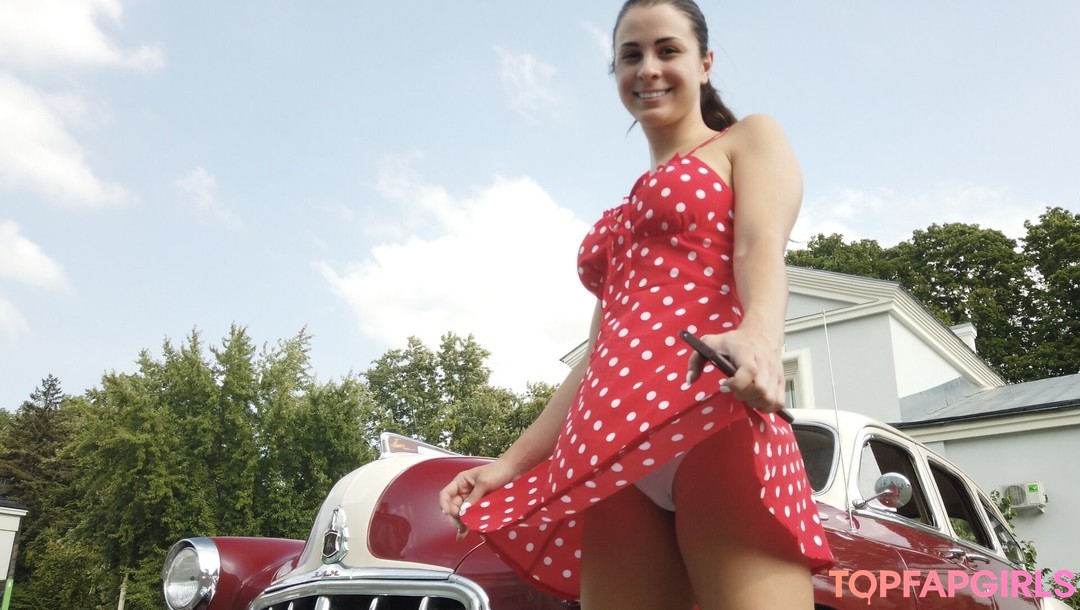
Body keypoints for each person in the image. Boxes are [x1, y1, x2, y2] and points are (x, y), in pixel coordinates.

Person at [439, 1, 834, 607]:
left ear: (705, 63)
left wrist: (759, 334)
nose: (648, 68)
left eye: (667, 50)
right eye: (631, 55)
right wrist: (508, 464)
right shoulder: (619, 218)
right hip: (606, 447)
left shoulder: (746, 140)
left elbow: (759, 247)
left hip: (710, 414)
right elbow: (595, 354)